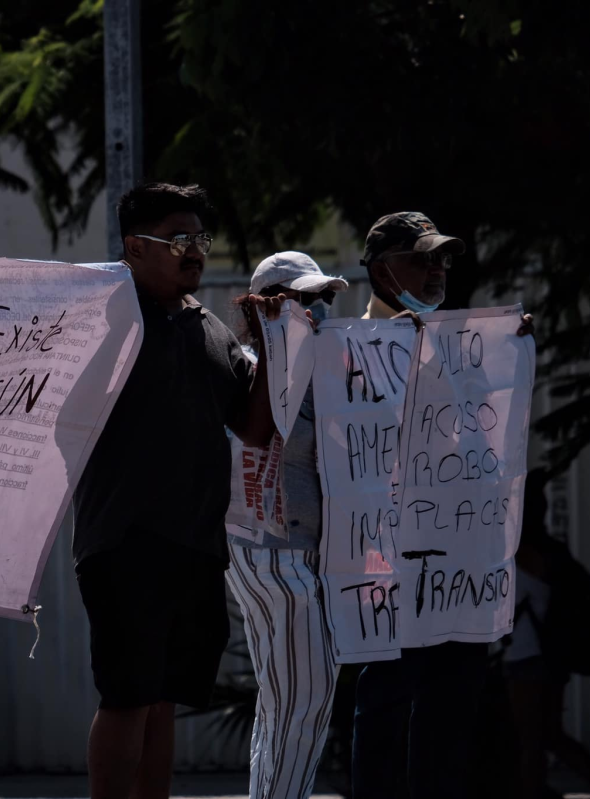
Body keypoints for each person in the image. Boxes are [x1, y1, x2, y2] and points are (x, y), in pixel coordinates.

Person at [72, 183, 278, 799]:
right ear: (135, 248)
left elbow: (255, 427)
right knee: (128, 697)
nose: (195, 253)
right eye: (179, 240)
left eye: (201, 240)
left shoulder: (209, 327)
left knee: (163, 701)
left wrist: (269, 343)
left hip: (196, 547)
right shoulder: (100, 316)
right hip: (126, 542)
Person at [350, 211, 533, 799]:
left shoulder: (469, 348)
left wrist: (512, 353)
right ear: (381, 270)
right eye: (421, 258)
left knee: (451, 714)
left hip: (461, 568)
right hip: (388, 567)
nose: (435, 270)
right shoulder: (349, 355)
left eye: (442, 259)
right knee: (385, 704)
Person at [224, 252, 348, 799]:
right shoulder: (249, 366)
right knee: (305, 700)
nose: (318, 310)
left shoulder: (326, 365)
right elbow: (249, 443)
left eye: (324, 297)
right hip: (274, 552)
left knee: (287, 703)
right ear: (264, 307)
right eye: (303, 298)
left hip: (304, 553)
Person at [504, 471, 590, 799]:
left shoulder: (520, 553)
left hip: (526, 658)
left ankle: (534, 793)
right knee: (550, 734)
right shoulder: (552, 551)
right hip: (550, 658)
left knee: (530, 740)